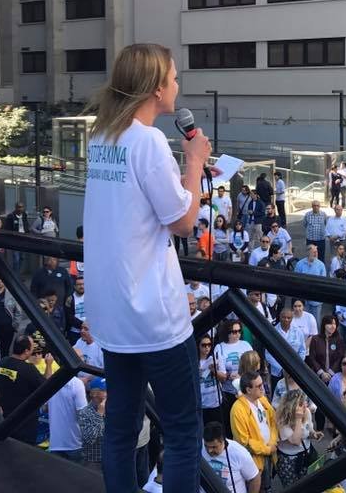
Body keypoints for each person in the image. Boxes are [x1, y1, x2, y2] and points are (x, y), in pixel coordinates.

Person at [81, 44, 210, 492]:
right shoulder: (148, 139)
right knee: (181, 430)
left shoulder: (102, 136)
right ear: (157, 87)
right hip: (154, 314)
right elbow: (183, 220)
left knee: (121, 425)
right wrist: (194, 163)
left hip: (112, 309)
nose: (178, 86)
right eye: (174, 78)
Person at [230, 372, 277, 492]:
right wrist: (267, 449)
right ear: (248, 390)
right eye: (259, 386)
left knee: (268, 486)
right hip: (254, 460)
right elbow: (244, 442)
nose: (263, 387)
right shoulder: (237, 410)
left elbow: (273, 422)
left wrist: (272, 443)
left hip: (269, 454)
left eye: (262, 384)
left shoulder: (263, 399)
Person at [215, 319, 254, 436]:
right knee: (230, 422)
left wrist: (241, 375)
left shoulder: (245, 345)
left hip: (245, 389)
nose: (237, 334)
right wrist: (227, 376)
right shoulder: (220, 347)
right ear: (227, 332)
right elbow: (218, 372)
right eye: (234, 331)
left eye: (239, 331)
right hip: (228, 391)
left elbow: (253, 365)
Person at [275, 389, 320, 485]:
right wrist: (298, 419)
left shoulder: (307, 412)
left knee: (309, 485)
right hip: (290, 461)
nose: (305, 406)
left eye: (305, 402)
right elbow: (296, 441)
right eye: (301, 404)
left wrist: (314, 434)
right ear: (292, 406)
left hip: (307, 455)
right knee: (293, 487)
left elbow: (309, 430)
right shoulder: (283, 420)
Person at [202, 421, 261, 493]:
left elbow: (255, 478)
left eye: (214, 447)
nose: (209, 450)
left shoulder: (239, 452)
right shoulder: (199, 447)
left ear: (223, 440)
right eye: (206, 446)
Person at [48, 366, 88, 462]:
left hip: (55, 444)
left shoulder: (51, 380)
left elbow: (45, 408)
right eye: (81, 358)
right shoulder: (77, 383)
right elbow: (83, 415)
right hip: (75, 445)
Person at [79, 377, 107, 468]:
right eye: (105, 391)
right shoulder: (85, 412)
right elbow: (90, 439)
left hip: (111, 459)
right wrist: (99, 414)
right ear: (94, 394)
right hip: (94, 462)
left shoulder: (113, 408)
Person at [293, 246, 326, 322]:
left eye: (316, 252)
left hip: (316, 300)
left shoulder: (321, 265)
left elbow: (323, 283)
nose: (316, 253)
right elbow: (295, 281)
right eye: (313, 252)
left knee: (315, 321)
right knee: (303, 321)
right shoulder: (299, 264)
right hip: (303, 299)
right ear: (308, 252)